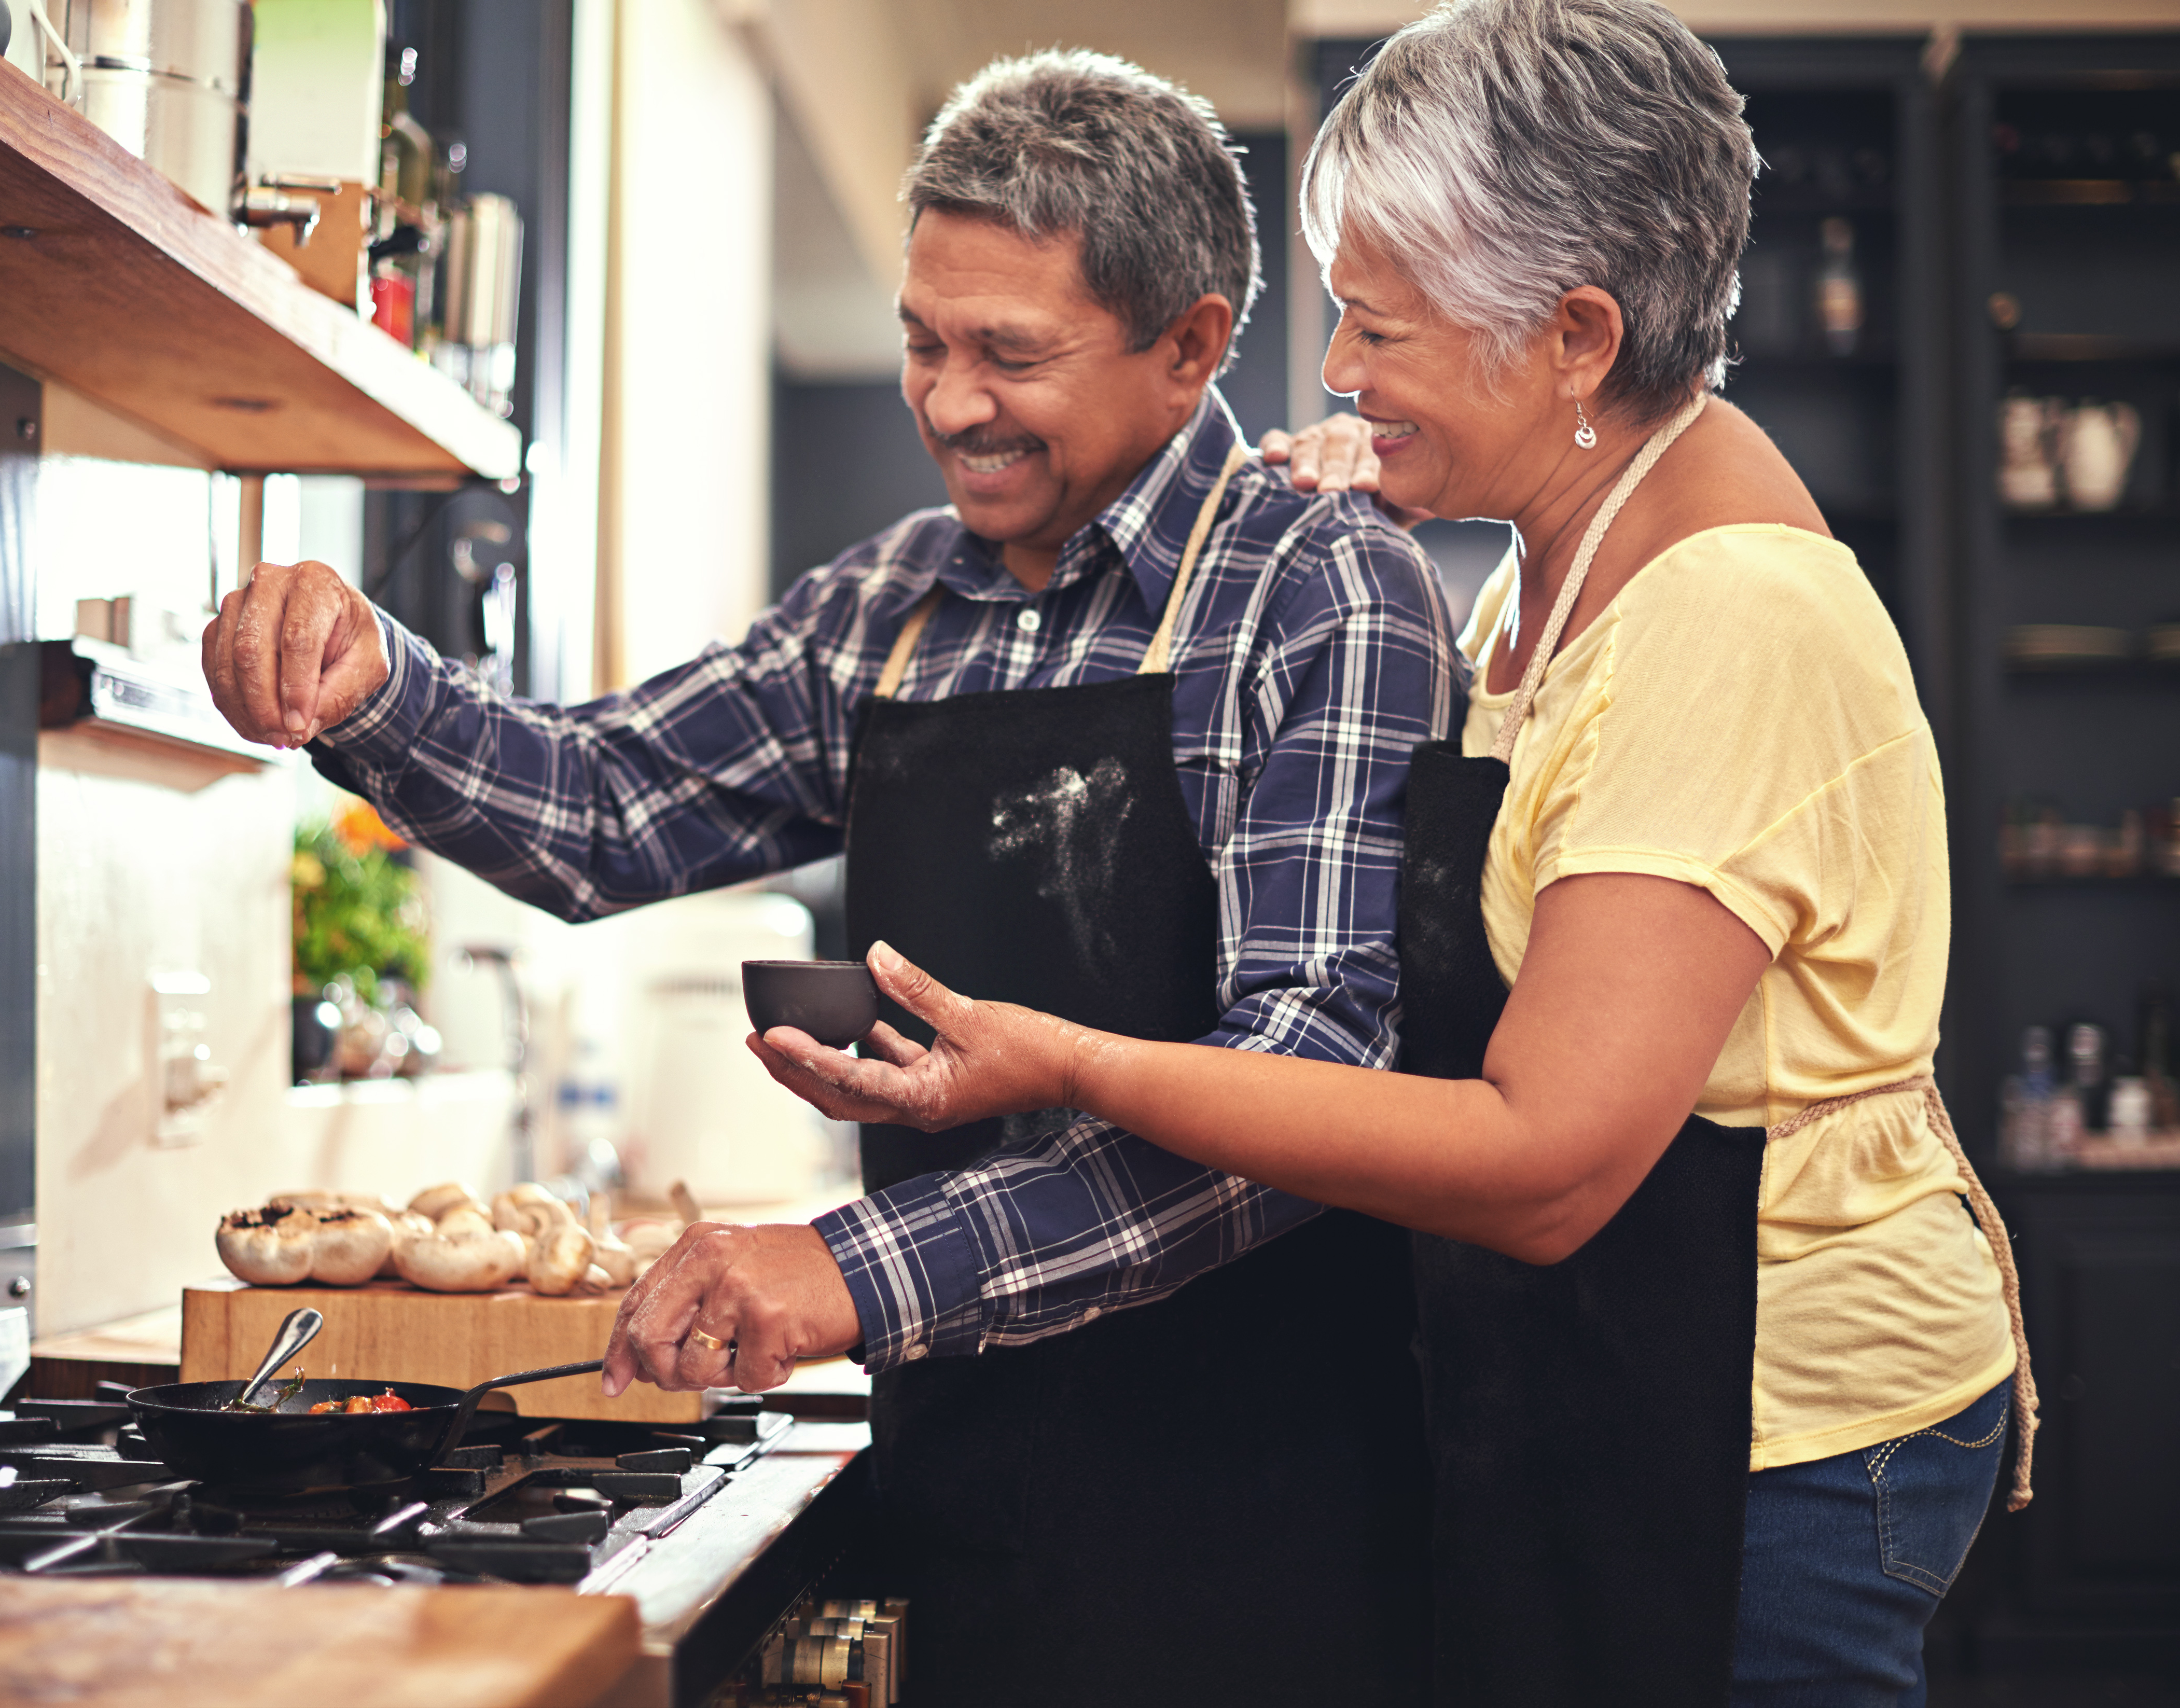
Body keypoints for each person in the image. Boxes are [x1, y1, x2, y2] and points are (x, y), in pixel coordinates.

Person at [678, 3, 2038, 1704]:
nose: (1334, 374)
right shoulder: (1543, 569)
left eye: (1381, 328)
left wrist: (1069, 1062)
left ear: (1574, 336)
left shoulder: (1727, 621)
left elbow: (1545, 1161)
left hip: (1780, 1444)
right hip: (1618, 1396)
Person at [204, 50, 1459, 1705]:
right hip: (956, 1479)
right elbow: (602, 805)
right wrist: (372, 686)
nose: (947, 403)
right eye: (924, 343)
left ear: (1192, 345)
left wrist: (856, 1270)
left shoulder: (1323, 590)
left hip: (1258, 1519)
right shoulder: (889, 611)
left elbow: (1309, 1084)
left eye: (1011, 354)